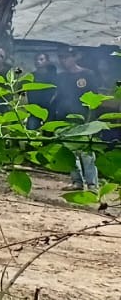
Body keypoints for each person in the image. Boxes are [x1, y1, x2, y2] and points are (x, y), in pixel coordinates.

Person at [54, 47, 100, 192]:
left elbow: (94, 98)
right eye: (61, 57)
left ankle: (92, 184)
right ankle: (77, 181)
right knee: (70, 152)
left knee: (86, 152)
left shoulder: (87, 74)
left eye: (66, 57)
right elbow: (59, 97)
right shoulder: (61, 77)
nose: (63, 60)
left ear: (75, 57)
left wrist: (91, 120)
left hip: (84, 118)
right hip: (65, 118)